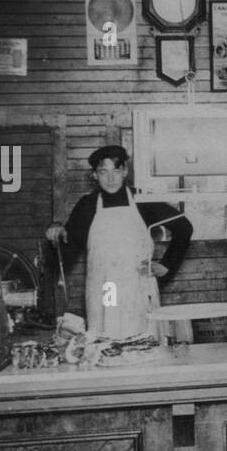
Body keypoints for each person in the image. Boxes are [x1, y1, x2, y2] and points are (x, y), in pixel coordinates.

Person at [44, 144, 192, 340]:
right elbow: (65, 256)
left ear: (125, 171)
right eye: (103, 172)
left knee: (144, 341)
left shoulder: (142, 201)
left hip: (138, 287)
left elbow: (184, 227)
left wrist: (167, 265)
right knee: (109, 335)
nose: (111, 178)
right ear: (95, 175)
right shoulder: (87, 205)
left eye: (116, 170)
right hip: (107, 290)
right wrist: (56, 233)